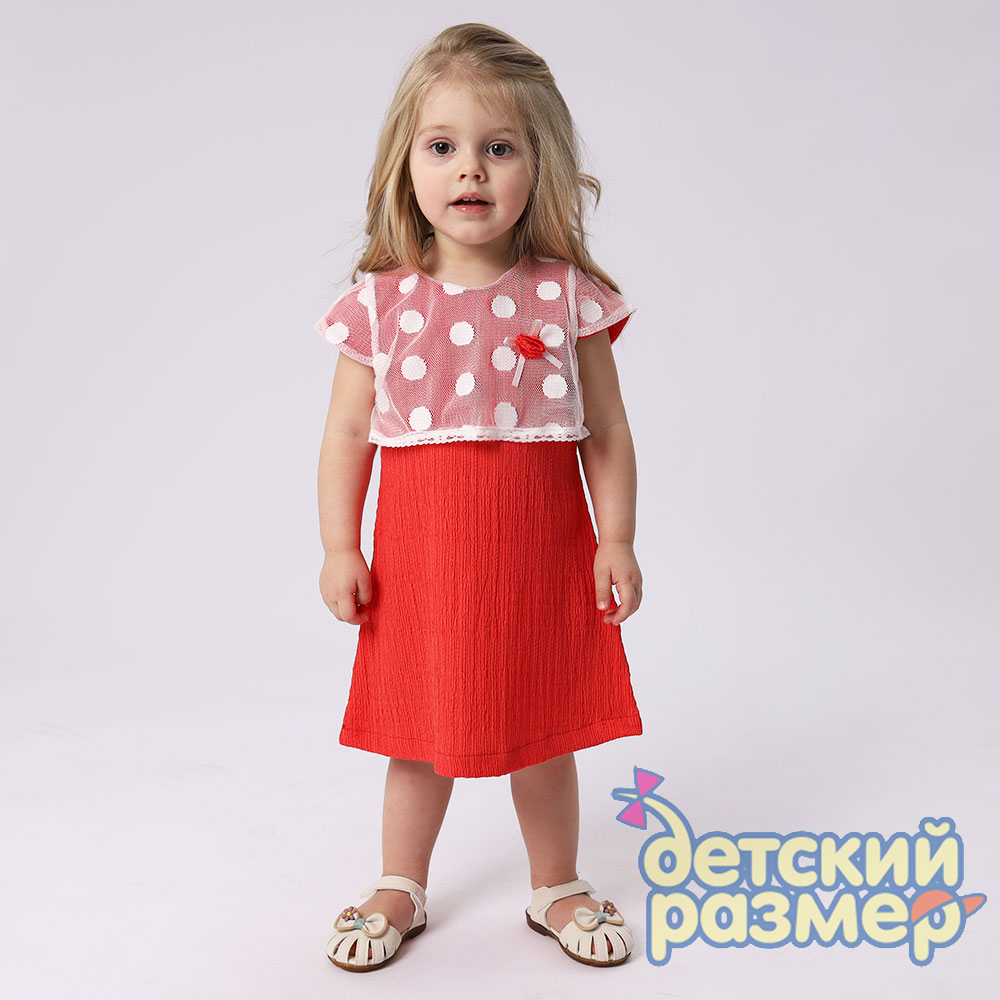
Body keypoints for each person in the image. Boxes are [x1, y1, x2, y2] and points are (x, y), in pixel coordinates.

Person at [314, 23, 644, 972]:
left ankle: (556, 883)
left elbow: (606, 430)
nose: (470, 169)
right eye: (443, 146)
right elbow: (345, 436)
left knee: (542, 725)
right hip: (422, 564)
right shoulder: (381, 304)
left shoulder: (566, 297)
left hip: (537, 557)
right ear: (404, 163)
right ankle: (401, 881)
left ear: (540, 166)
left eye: (499, 148)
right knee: (418, 730)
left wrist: (616, 538)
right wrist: (340, 547)